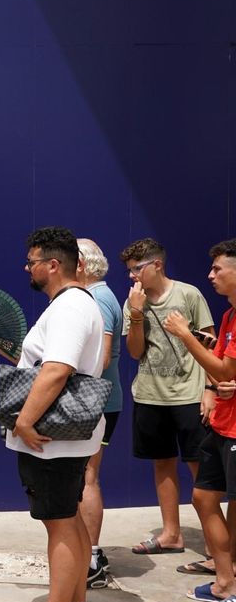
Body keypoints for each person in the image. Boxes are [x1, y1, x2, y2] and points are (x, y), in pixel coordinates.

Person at [0, 227, 105, 602]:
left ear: (53, 264)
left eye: (31, 261)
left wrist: (24, 421)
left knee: (60, 522)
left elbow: (57, 369)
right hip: (67, 436)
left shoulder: (68, 307)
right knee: (70, 519)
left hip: (52, 437)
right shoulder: (76, 304)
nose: (26, 268)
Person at [120, 237, 214, 557]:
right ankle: (171, 533)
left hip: (189, 393)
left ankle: (217, 545)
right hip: (150, 394)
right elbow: (135, 352)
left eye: (136, 269)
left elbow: (211, 344)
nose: (132, 276)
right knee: (162, 463)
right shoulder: (134, 302)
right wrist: (135, 313)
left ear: (156, 265)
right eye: (129, 270)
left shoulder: (189, 294)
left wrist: (210, 390)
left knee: (200, 466)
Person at [161, 239, 236, 602]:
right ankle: (226, 580)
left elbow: (226, 369)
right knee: (205, 498)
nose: (210, 276)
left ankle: (231, 586)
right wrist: (211, 388)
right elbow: (221, 366)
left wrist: (185, 335)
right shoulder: (227, 317)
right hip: (223, 425)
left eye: (218, 269)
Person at [76, 239, 124, 588]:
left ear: (81, 265)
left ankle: (91, 556)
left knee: (87, 478)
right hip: (97, 400)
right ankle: (86, 552)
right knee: (83, 477)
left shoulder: (97, 299)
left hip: (97, 402)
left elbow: (102, 358)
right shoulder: (97, 296)